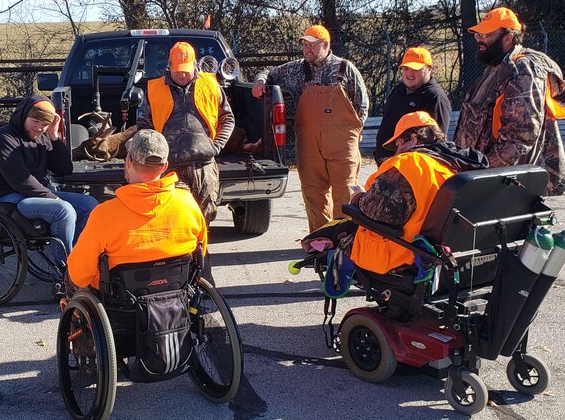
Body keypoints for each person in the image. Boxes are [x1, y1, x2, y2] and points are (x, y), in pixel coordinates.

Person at [252, 24, 370, 231]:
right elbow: (268, 73)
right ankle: (321, 240)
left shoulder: (344, 68)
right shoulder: (295, 69)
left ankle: (345, 239)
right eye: (304, 45)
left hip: (342, 142)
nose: (307, 49)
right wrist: (260, 81)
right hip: (309, 142)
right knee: (313, 193)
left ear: (325, 45)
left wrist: (352, 133)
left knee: (345, 192)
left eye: (312, 45)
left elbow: (363, 104)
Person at [66, 129, 207, 293]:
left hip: (120, 304)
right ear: (165, 167)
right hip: (175, 296)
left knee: (71, 277)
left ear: (128, 162)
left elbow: (79, 274)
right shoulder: (188, 203)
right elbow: (201, 251)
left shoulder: (104, 214)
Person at [349, 111, 488, 275]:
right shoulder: (455, 165)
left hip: (402, 257)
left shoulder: (409, 163)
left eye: (399, 144)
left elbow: (376, 212)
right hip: (443, 256)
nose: (397, 152)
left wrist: (357, 197)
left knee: (339, 231)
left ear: (413, 139)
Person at [453, 7, 565, 195]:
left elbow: (521, 136)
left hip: (508, 184)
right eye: (478, 35)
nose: (480, 39)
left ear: (508, 37)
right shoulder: (497, 68)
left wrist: (482, 171)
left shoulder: (522, 70)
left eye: (487, 34)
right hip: (491, 179)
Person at [0, 94, 97, 256]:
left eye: (44, 124)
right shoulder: (4, 137)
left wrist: (54, 136)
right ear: (24, 115)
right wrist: (53, 198)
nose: (39, 128)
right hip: (6, 199)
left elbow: (64, 168)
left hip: (33, 196)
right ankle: (65, 268)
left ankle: (77, 255)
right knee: (64, 210)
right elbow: (20, 180)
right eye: (35, 121)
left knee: (90, 204)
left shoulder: (42, 138)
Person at [137, 41, 235, 223]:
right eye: (178, 70)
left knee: (205, 217)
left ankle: (201, 251)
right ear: (169, 66)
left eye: (186, 69)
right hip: (170, 166)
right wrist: (154, 154)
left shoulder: (211, 86)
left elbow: (227, 118)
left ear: (195, 65)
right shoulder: (153, 89)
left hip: (204, 165)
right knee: (175, 217)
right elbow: (144, 125)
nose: (182, 74)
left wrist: (217, 145)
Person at [372, 47, 452, 164]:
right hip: (388, 165)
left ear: (430, 69)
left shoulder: (435, 98)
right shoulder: (399, 90)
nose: (409, 73)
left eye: (416, 69)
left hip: (412, 169)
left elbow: (435, 141)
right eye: (406, 68)